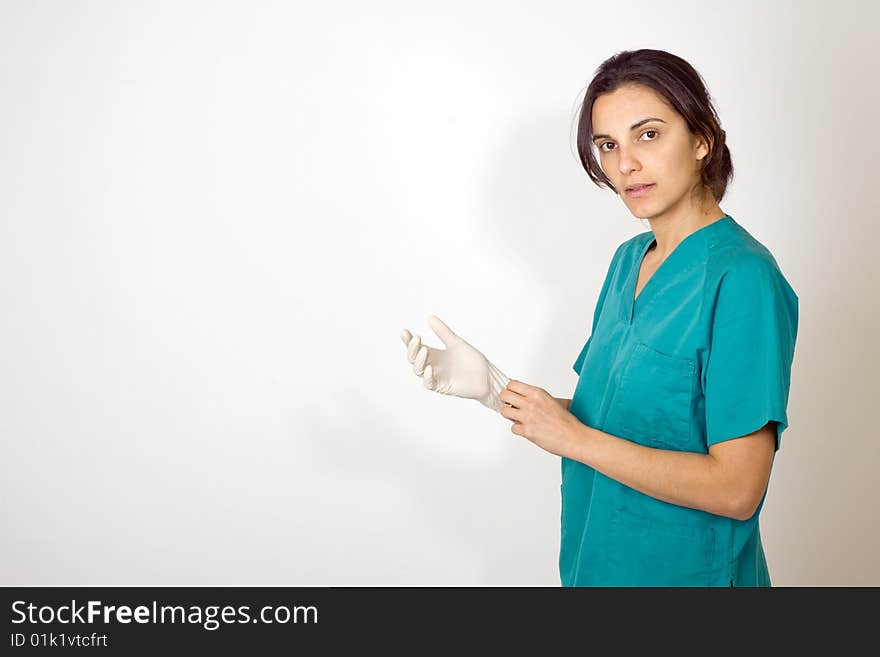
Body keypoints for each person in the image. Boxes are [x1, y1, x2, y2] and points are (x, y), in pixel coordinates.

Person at [400, 49, 798, 587]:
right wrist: (496, 390)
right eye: (607, 145)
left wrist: (574, 440)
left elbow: (737, 488)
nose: (624, 163)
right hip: (597, 567)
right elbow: (607, 419)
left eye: (648, 134)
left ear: (702, 139)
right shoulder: (628, 262)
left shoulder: (743, 279)